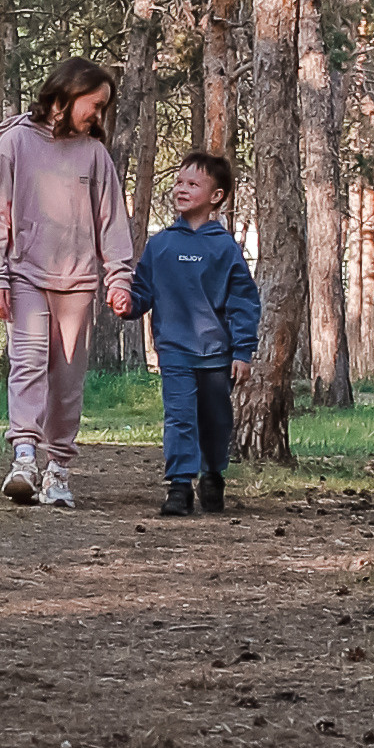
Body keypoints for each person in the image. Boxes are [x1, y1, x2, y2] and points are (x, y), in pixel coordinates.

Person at [0, 61, 136, 509]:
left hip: (78, 283)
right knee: (27, 364)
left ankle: (57, 470)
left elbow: (112, 224)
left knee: (66, 381)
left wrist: (119, 278)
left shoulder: (94, 155)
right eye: (95, 105)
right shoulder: (15, 143)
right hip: (24, 276)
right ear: (66, 94)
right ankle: (24, 461)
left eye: (103, 108)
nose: (98, 115)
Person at [129, 151, 260, 518]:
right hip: (174, 351)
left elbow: (243, 302)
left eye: (192, 184)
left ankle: (213, 474)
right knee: (180, 417)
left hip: (217, 354)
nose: (181, 189)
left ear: (216, 196)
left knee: (216, 420)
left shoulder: (225, 247)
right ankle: (180, 485)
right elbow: (142, 292)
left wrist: (243, 352)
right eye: (178, 183)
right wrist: (126, 303)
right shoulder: (160, 245)